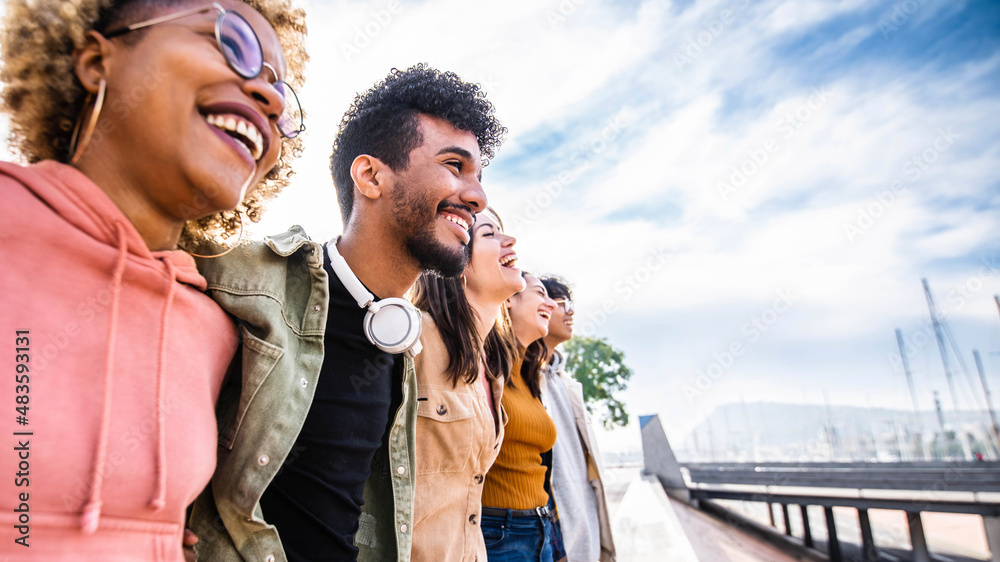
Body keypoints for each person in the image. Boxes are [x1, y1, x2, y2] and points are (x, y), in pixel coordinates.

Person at [0, 0, 306, 559]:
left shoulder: (214, 324)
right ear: (97, 60)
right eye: (231, 43)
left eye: (282, 93)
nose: (269, 97)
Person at [187, 64, 506, 562]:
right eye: (454, 165)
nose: (478, 197)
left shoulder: (402, 346)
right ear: (371, 176)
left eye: (480, 176)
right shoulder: (245, 281)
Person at [409, 208, 523, 561]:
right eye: (490, 234)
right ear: (457, 262)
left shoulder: (492, 370)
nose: (511, 240)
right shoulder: (414, 337)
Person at [481, 273, 560, 562]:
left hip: (541, 528)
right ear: (510, 299)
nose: (551, 305)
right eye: (541, 293)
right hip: (497, 533)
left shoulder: (530, 377)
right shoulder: (483, 365)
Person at [539, 277, 617, 562]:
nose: (570, 312)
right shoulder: (520, 380)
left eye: (570, 304)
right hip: (554, 534)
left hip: (587, 525)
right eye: (561, 304)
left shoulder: (567, 383)